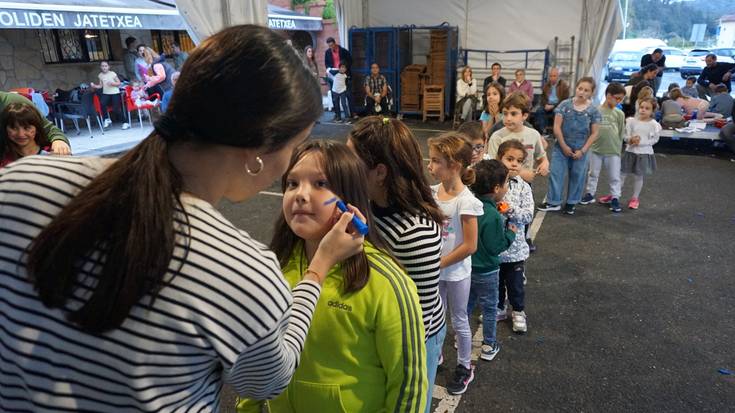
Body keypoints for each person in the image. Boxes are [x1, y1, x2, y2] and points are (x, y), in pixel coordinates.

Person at [0, 25, 365, 410]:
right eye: (293, 146)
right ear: (260, 146)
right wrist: (319, 266)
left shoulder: (20, 181)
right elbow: (267, 381)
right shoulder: (241, 271)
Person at [238, 140, 427, 413]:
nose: (301, 195)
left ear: (350, 199)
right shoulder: (274, 268)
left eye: (320, 184)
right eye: (292, 183)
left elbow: (409, 386)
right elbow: (255, 360)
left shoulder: (385, 281)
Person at [346, 117, 445, 413]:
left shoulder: (416, 234)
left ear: (379, 172)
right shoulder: (366, 203)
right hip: (382, 330)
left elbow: (418, 315)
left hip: (414, 338)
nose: (343, 168)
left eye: (351, 162)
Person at [428, 132, 483, 395]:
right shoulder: (430, 193)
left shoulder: (468, 201)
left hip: (457, 273)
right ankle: (435, 355)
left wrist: (438, 263)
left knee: (459, 320)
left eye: (436, 161)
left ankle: (464, 366)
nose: (430, 167)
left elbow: (470, 246)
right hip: (434, 271)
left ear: (455, 165)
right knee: (434, 317)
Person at [467, 159, 516, 359]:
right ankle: (488, 345)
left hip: (467, 268)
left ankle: (461, 339)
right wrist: (510, 234)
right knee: (489, 308)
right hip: (487, 270)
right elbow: (496, 247)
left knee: (466, 306)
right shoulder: (493, 216)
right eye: (506, 184)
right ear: (496, 188)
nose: (506, 188)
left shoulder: (469, 205)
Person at [538, 77, 601, 215]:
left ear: (591, 93)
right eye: (580, 88)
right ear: (576, 88)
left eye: (586, 90)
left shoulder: (593, 111)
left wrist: (583, 151)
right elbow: (556, 127)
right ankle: (553, 202)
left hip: (581, 149)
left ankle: (571, 202)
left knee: (577, 175)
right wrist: (564, 146)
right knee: (556, 173)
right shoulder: (564, 105)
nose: (582, 92)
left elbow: (594, 133)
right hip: (561, 147)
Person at [494, 139, 534, 334]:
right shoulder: (492, 183)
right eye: (509, 159)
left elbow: (527, 215)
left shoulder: (524, 187)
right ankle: (499, 308)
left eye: (519, 161)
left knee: (515, 284)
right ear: (499, 158)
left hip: (516, 249)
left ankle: (518, 311)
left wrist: (509, 210)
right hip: (494, 247)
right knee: (496, 283)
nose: (514, 164)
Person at [580, 82, 626, 213]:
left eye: (621, 99)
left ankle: (615, 197)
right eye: (617, 98)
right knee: (593, 173)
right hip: (595, 149)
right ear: (608, 95)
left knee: (614, 176)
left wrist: (618, 149)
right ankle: (590, 193)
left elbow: (621, 132)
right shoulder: (595, 111)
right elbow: (590, 129)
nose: (618, 101)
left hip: (613, 151)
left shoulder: (619, 114)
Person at [487, 92, 549, 183]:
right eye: (505, 113)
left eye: (513, 114)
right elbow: (491, 167)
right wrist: (521, 173)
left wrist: (544, 164)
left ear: (525, 115)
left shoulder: (534, 134)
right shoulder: (497, 137)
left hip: (526, 187)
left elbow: (542, 157)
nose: (508, 118)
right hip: (502, 185)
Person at [620, 96, 661, 210]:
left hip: (644, 154)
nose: (643, 110)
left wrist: (641, 142)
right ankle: (615, 195)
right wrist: (630, 140)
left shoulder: (654, 125)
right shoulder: (631, 121)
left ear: (652, 111)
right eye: (641, 107)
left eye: (647, 108)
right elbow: (625, 135)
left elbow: (655, 139)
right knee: (622, 174)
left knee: (639, 176)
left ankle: (635, 198)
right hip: (630, 151)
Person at [0, 91, 70, 156]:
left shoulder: (12, 101)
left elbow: (49, 129)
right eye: (14, 127)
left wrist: (59, 140)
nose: (21, 133)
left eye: (26, 128)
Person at [1, 102, 52, 167]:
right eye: (13, 127)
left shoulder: (53, 152)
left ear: (37, 128)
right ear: (5, 129)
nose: (20, 134)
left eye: (27, 127)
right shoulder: (3, 159)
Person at [90, 60, 130, 130]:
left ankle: (125, 122)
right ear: (100, 67)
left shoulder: (112, 74)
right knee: (102, 103)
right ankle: (106, 119)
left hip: (115, 93)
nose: (104, 67)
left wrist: (112, 84)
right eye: (102, 66)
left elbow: (119, 83)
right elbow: (100, 86)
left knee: (116, 109)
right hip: (106, 93)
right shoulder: (100, 75)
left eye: (106, 66)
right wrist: (94, 86)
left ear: (108, 67)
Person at [534, 67, 570, 135]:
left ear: (558, 76)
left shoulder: (564, 86)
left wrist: (553, 106)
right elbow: (543, 98)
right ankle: (543, 131)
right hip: (547, 104)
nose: (552, 78)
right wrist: (545, 105)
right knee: (539, 111)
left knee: (556, 112)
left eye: (554, 76)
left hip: (558, 105)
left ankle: (556, 132)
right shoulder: (546, 85)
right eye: (550, 76)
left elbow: (565, 100)